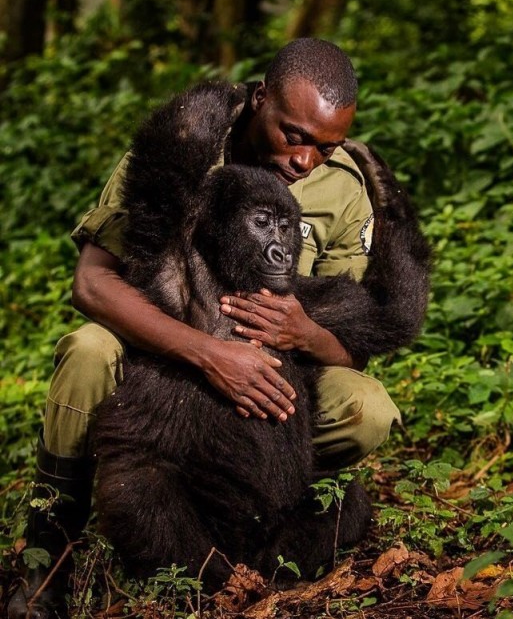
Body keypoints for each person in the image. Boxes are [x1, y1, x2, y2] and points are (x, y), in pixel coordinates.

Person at [9, 38, 403, 619]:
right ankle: (47, 557)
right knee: (89, 350)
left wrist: (306, 332)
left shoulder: (343, 185)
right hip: (166, 349)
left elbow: (359, 333)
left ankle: (248, 511)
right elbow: (93, 284)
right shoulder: (189, 153)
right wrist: (208, 353)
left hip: (275, 384)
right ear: (260, 99)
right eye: (293, 135)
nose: (304, 161)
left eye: (327, 146)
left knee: (367, 407)